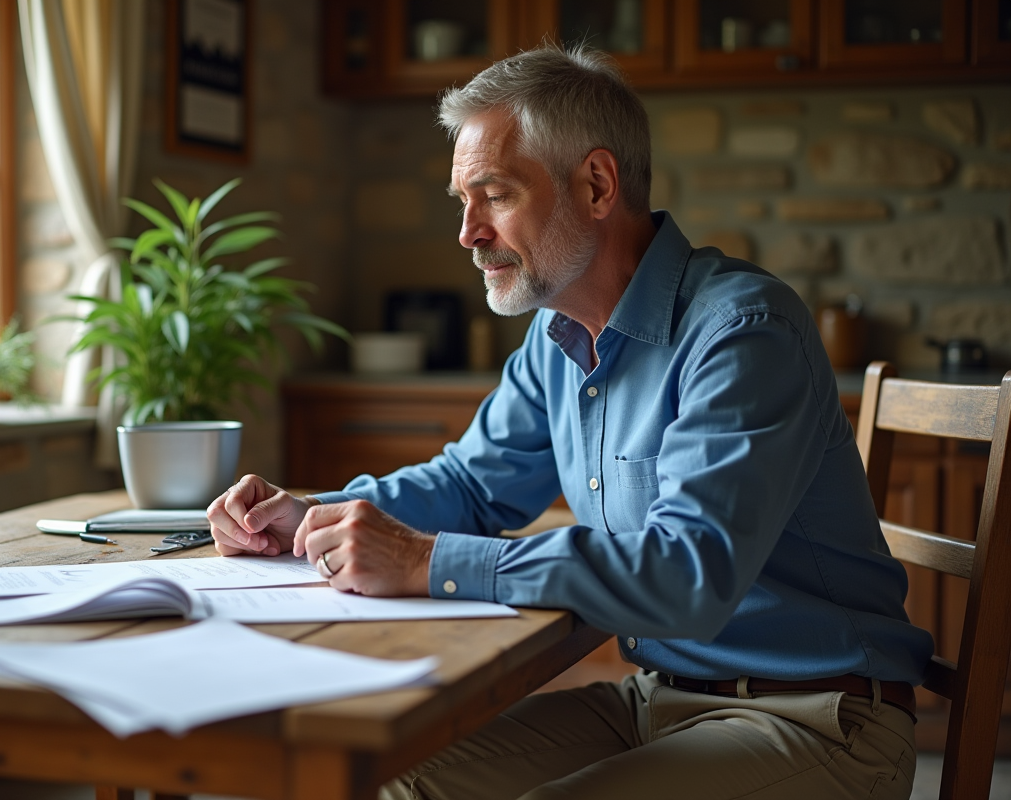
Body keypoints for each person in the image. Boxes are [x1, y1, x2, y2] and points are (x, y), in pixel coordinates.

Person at [206, 44, 932, 800]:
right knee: (388, 780)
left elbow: (688, 574)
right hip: (661, 699)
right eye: (463, 200)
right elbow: (471, 487)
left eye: (493, 194)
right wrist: (313, 517)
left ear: (595, 184)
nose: (468, 233)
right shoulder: (555, 339)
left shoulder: (744, 331)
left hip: (819, 718)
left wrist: (426, 561)